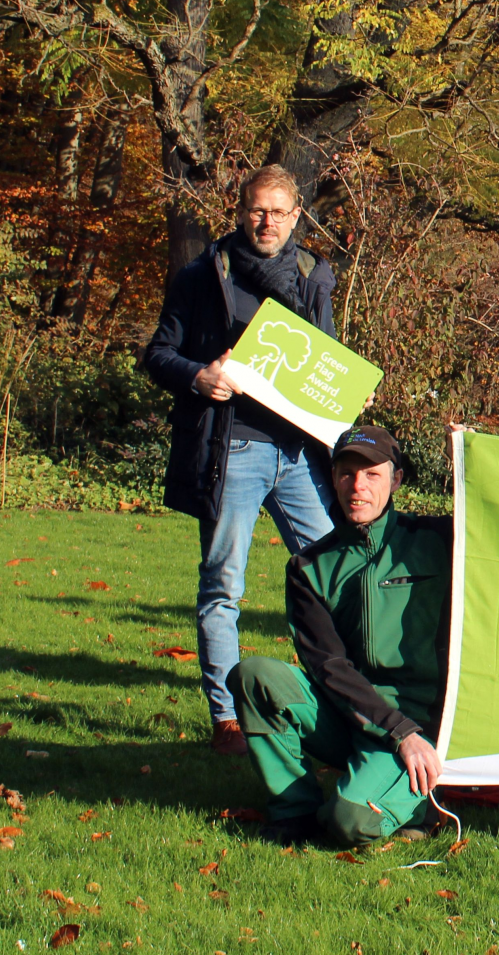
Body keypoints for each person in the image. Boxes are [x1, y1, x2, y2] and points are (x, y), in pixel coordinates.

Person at [143, 165, 340, 757]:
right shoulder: (203, 275)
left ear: (297, 215)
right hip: (233, 450)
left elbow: (325, 360)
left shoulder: (312, 274)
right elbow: (157, 353)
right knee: (223, 586)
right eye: (258, 210)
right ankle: (229, 720)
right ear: (238, 212)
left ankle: (330, 703)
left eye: (280, 212)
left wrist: (345, 399)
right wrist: (198, 377)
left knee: (332, 577)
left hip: (299, 454)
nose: (268, 222)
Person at [231, 425, 451, 847]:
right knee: (254, 675)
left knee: (351, 822)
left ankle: (423, 802)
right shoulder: (308, 567)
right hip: (352, 716)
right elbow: (328, 666)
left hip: (423, 725)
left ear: (396, 480)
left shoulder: (439, 540)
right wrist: (393, 728)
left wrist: (463, 461)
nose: (358, 487)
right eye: (347, 473)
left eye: (372, 475)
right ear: (332, 477)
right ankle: (293, 810)